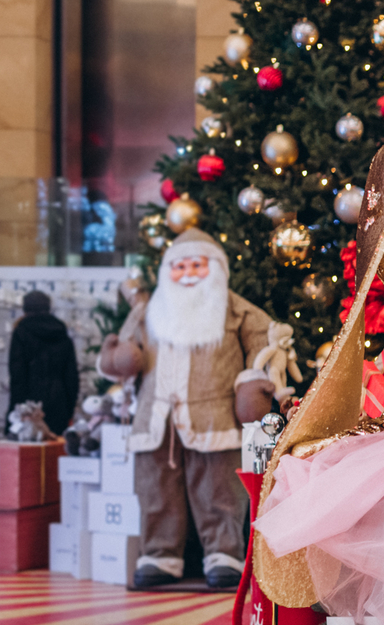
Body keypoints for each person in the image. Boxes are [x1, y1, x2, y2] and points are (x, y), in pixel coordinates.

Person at [98, 229, 283, 590]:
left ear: (215, 268)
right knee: (155, 488)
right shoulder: (148, 310)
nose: (188, 273)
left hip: (213, 414)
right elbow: (122, 348)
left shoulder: (236, 309)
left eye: (196, 265)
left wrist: (252, 382)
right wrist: (119, 358)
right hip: (156, 417)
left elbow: (265, 346)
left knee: (218, 487)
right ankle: (158, 555)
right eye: (179, 266)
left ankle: (223, 554)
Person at [7, 291, 79, 436]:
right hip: (59, 400)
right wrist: (69, 407)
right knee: (56, 449)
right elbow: (71, 375)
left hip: (28, 401)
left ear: (25, 309)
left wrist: (16, 407)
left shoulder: (21, 332)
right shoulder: (61, 334)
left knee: (27, 449)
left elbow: (17, 373)